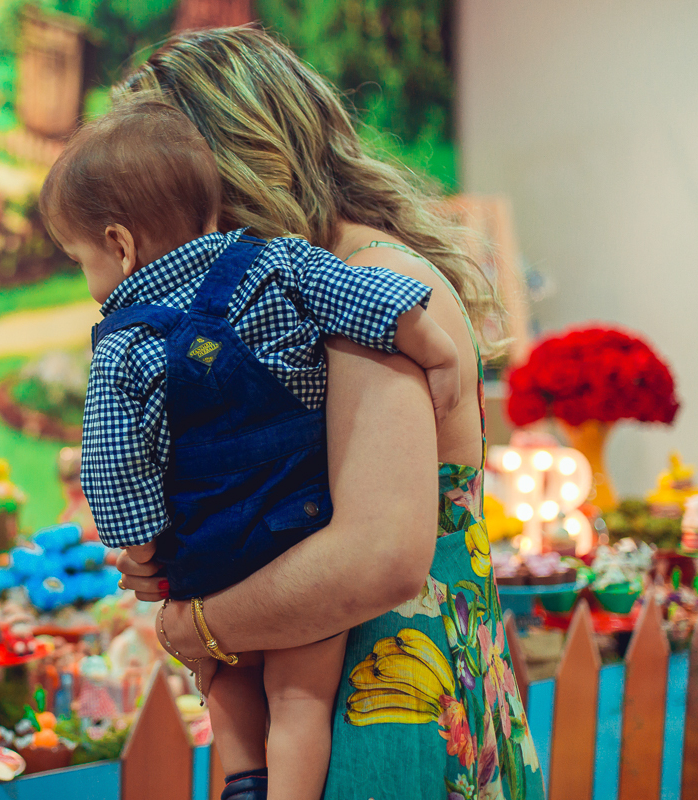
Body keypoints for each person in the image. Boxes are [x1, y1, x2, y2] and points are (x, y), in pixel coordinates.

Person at [112, 26, 545, 800]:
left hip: (389, 708)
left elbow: (376, 557)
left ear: (225, 166)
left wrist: (199, 625)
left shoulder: (360, 287)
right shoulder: (309, 287)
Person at [39, 98, 463, 800]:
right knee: (300, 698)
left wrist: (142, 547)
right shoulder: (282, 263)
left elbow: (112, 468)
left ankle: (241, 775)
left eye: (81, 260)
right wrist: (439, 354)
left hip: (210, 548)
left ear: (118, 244)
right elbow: (374, 303)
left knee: (219, 671)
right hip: (302, 524)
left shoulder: (121, 346)